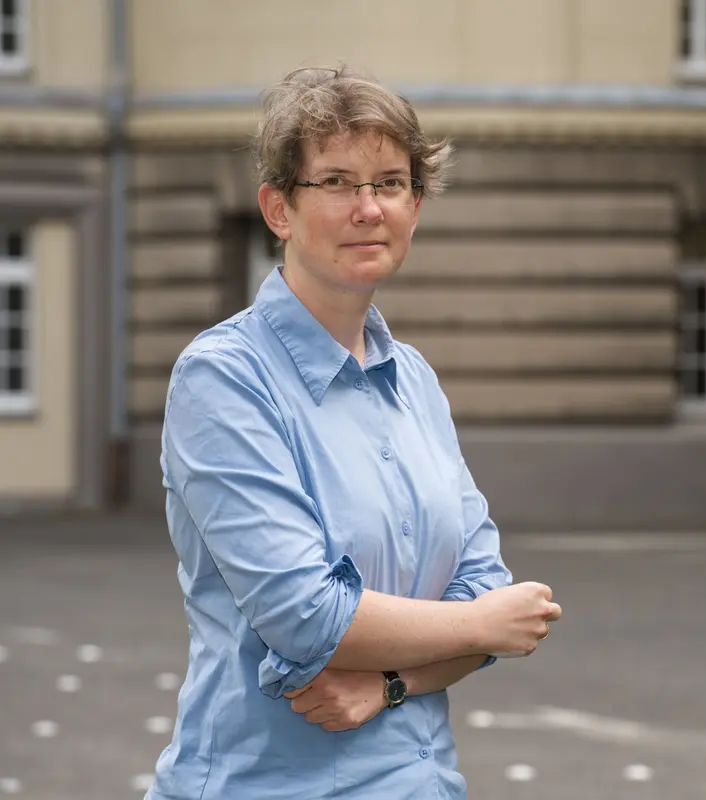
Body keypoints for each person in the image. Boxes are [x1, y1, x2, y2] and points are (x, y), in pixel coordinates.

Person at [145, 64, 562, 799]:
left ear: (416, 204)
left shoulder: (415, 380)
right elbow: (309, 617)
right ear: (278, 209)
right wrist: (481, 626)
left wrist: (393, 682)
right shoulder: (223, 379)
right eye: (335, 183)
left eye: (391, 182)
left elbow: (484, 584)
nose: (369, 208)